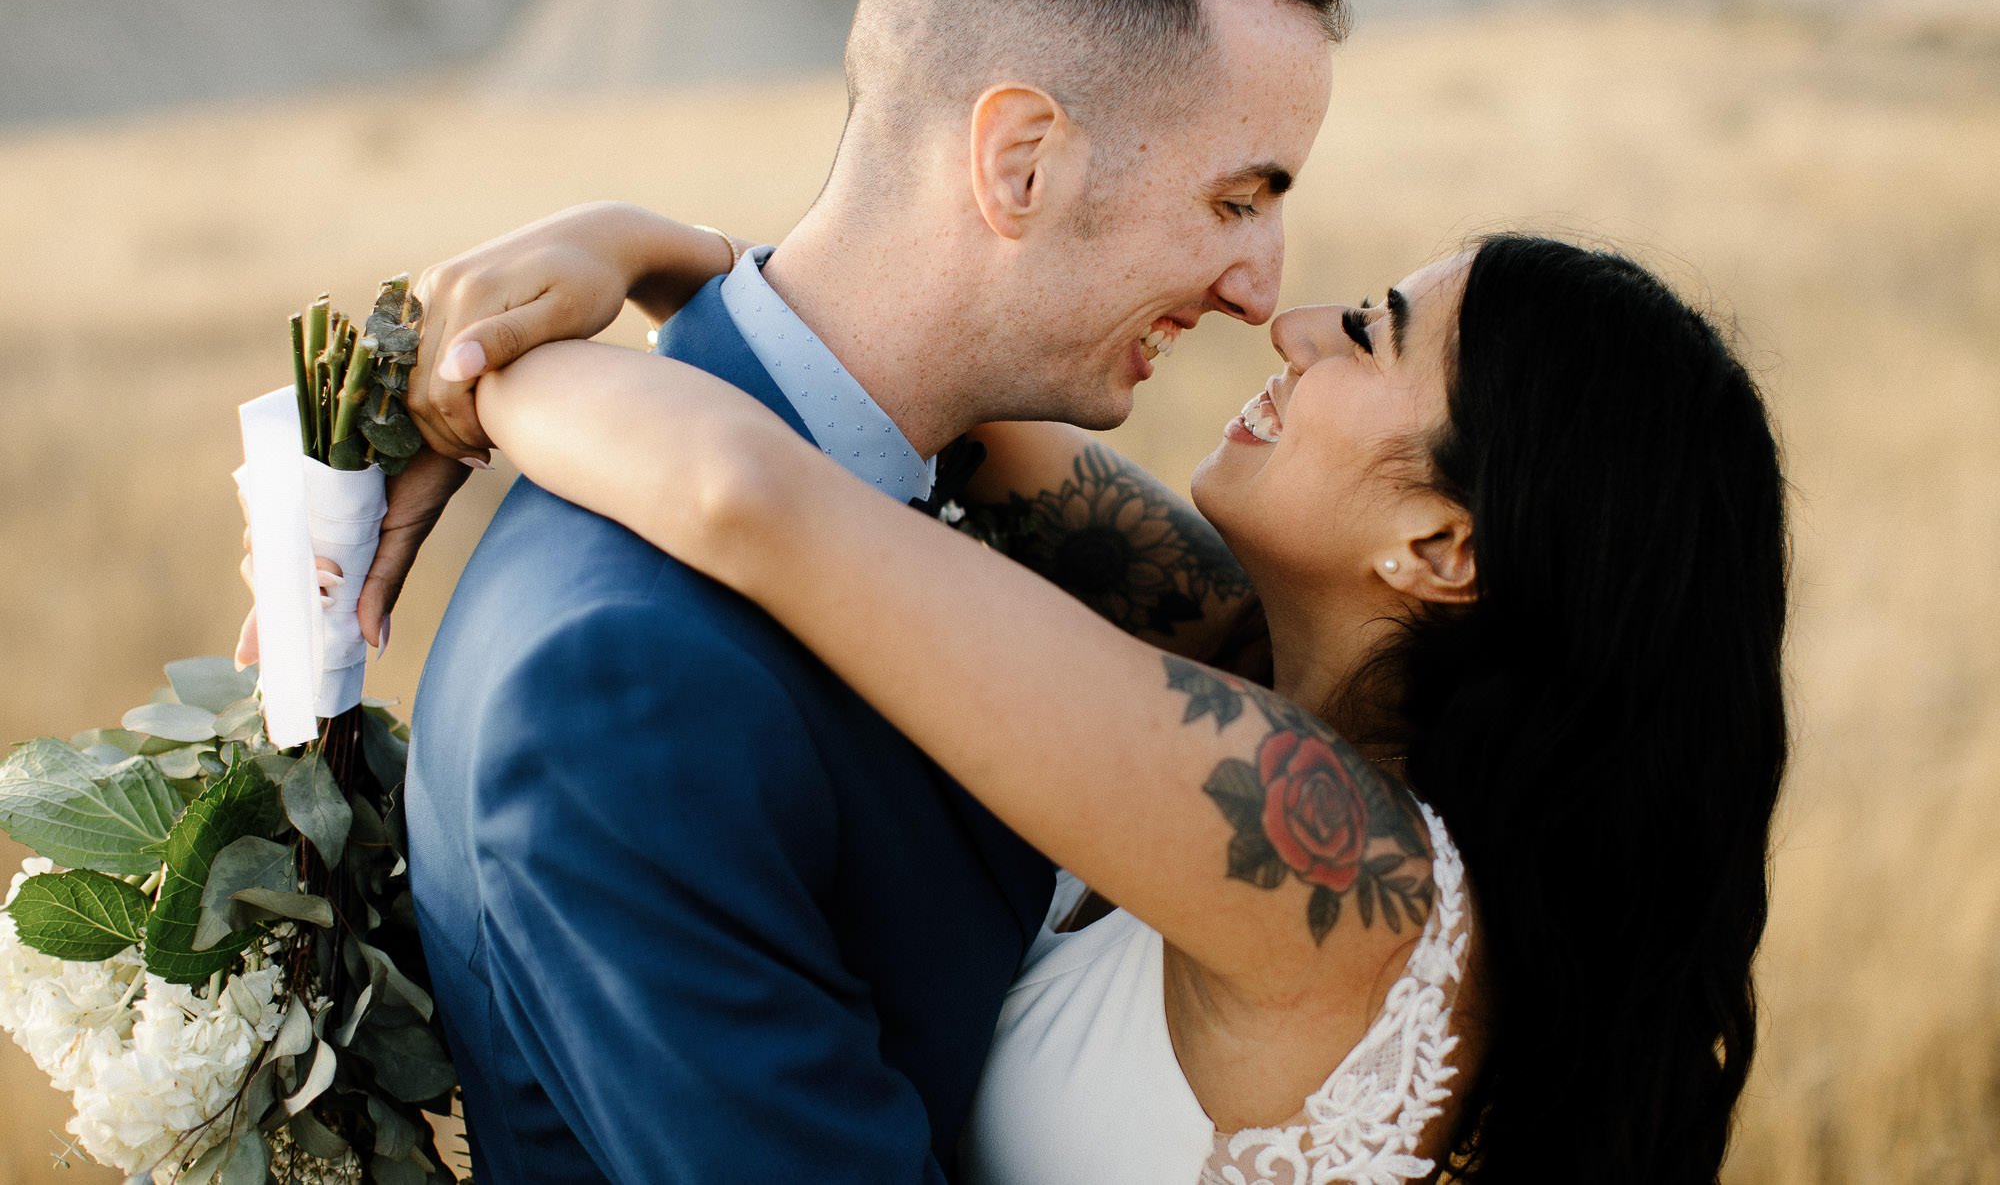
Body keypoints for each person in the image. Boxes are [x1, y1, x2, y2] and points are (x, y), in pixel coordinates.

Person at [375, 227, 1789, 1183]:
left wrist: (465, 377)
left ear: (1441, 549)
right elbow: (912, 398)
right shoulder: (1246, 651)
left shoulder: (1338, 870)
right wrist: (623, 245)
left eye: (1372, 334)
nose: (1295, 327)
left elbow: (748, 496)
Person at [382, 0, 1346, 1180]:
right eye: (1236, 199)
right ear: (1020, 162)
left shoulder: (952, 475)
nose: (1260, 291)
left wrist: (660, 255)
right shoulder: (624, 687)